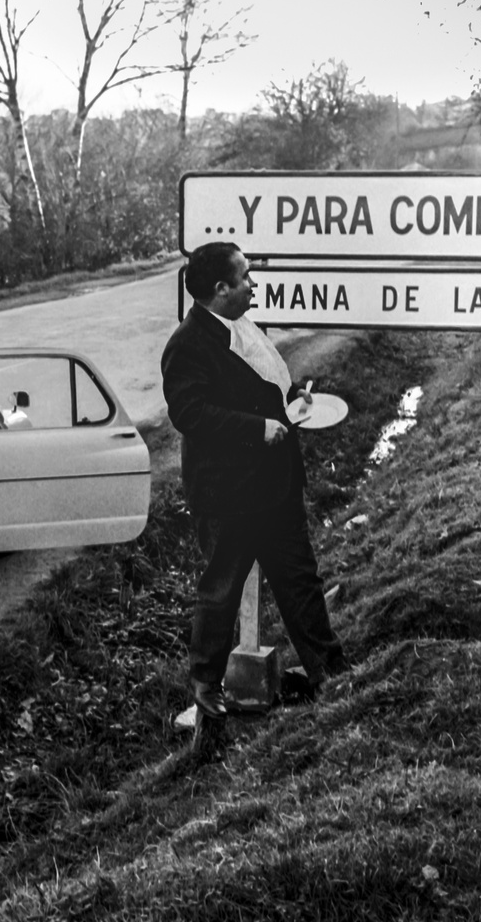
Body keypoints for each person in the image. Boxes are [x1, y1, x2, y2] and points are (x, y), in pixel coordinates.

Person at [161, 241, 349, 720]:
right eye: (245, 277)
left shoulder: (246, 327)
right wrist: (255, 429)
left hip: (275, 488)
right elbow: (189, 412)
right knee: (221, 589)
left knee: (300, 580)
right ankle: (206, 686)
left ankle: (331, 673)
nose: (254, 283)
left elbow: (267, 386)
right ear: (220, 289)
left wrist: (294, 400)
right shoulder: (187, 345)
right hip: (227, 495)